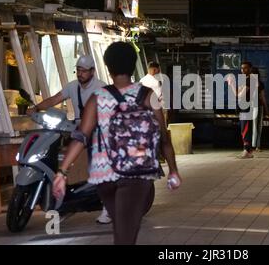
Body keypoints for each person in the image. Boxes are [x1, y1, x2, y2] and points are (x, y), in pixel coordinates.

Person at [52, 42, 181, 245]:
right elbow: (164, 136)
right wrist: (173, 170)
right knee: (125, 234)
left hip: (105, 175)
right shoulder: (148, 95)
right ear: (132, 65)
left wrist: (62, 172)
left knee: (122, 229)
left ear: (108, 67)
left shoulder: (97, 98)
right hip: (138, 173)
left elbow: (81, 136)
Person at [27, 55, 112, 225]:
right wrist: (36, 108)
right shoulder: (73, 87)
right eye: (78, 70)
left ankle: (107, 208)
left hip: (98, 130)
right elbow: (55, 99)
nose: (80, 74)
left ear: (92, 72)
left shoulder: (101, 87)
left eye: (83, 71)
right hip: (78, 129)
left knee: (97, 165)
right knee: (60, 155)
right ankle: (64, 199)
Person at [227, 61, 257, 159]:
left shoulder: (251, 79)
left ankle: (247, 151)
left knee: (246, 129)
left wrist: (231, 85)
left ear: (250, 69)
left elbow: (240, 95)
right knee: (244, 128)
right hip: (244, 106)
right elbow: (237, 92)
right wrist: (232, 84)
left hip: (247, 107)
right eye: (242, 68)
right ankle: (247, 150)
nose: (243, 70)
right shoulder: (246, 79)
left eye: (245, 68)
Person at [251, 67, 269, 151]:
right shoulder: (259, 83)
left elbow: (262, 97)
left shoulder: (250, 83)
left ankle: (254, 145)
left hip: (254, 106)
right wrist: (266, 109)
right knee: (258, 127)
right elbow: (263, 97)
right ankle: (256, 146)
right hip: (258, 106)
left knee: (255, 126)